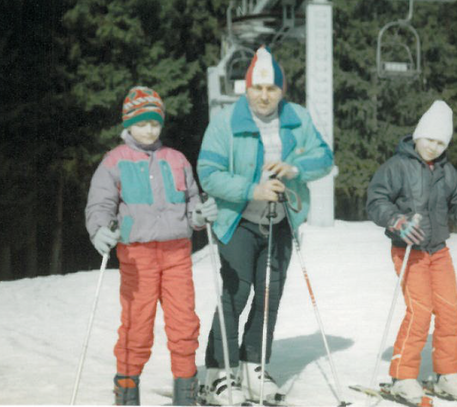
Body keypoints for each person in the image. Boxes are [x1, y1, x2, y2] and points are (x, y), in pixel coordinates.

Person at [197, 46, 334, 405]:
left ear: (281, 91)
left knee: (268, 296)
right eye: (257, 88)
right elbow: (208, 173)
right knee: (236, 293)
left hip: (280, 222)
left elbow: (325, 157)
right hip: (238, 220)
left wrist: (295, 169)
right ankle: (218, 373)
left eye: (272, 89)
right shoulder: (226, 121)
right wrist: (252, 188)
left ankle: (253, 366)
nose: (264, 96)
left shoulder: (297, 118)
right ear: (247, 88)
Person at [85, 86, 218, 406]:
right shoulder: (114, 161)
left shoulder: (176, 159)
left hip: (176, 254)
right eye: (142, 123)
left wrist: (200, 215)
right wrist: (98, 230)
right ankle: (127, 395)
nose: (149, 129)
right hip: (137, 256)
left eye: (155, 123)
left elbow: (192, 204)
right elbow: (99, 206)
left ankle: (185, 395)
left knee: (184, 324)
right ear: (128, 124)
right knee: (136, 327)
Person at [366, 100, 457, 404]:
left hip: (438, 250)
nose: (434, 147)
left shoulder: (446, 171)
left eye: (441, 142)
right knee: (420, 311)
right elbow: (376, 201)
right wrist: (396, 221)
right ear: (417, 135)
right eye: (429, 139)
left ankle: (447, 374)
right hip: (409, 249)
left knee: (452, 311)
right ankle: (403, 376)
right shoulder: (396, 166)